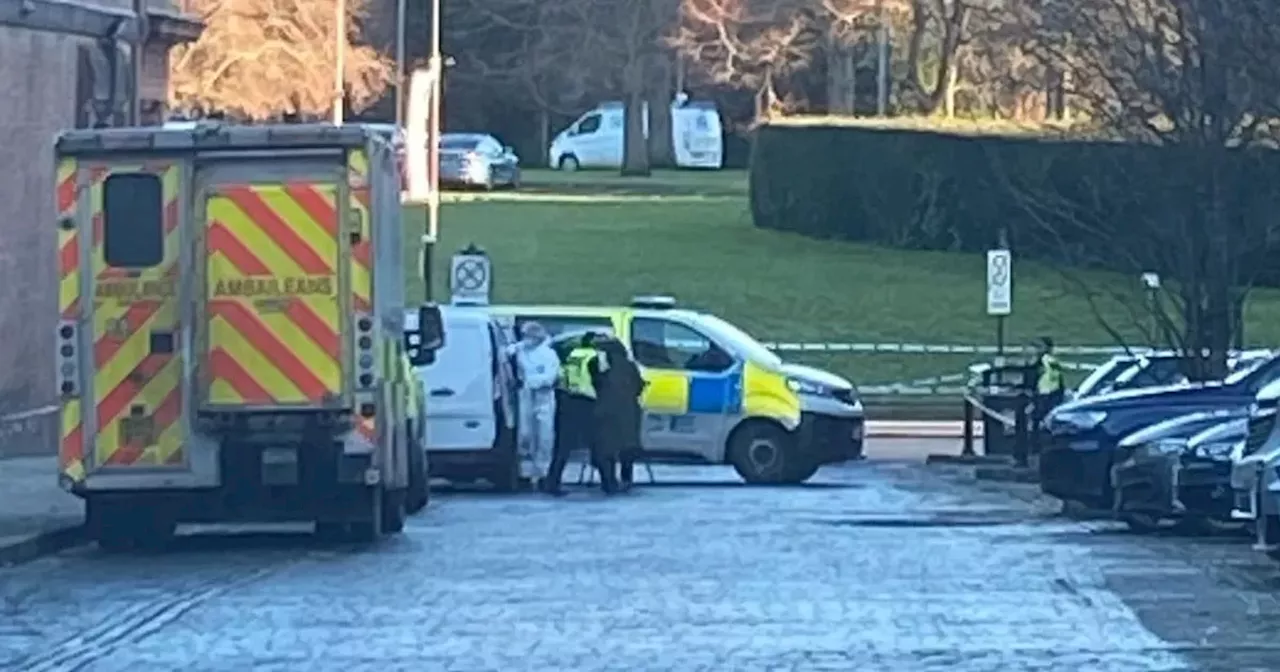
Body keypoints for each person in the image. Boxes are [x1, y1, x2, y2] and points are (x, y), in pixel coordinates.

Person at [544, 332, 617, 495]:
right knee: (599, 445)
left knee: (562, 447)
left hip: (568, 403)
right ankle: (609, 484)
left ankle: (552, 483)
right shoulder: (597, 357)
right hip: (588, 404)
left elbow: (561, 378)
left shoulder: (572, 355)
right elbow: (603, 380)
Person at [506, 322, 560, 489]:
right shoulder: (521, 351)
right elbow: (507, 353)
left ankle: (543, 473)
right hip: (526, 396)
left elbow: (550, 377)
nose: (526, 339)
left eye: (529, 336)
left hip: (543, 397)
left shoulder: (549, 354)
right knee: (525, 436)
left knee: (544, 438)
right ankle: (526, 474)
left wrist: (531, 382)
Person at [592, 337, 646, 491]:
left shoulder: (600, 366)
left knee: (605, 448)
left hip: (605, 412)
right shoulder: (629, 366)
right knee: (627, 447)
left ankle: (609, 481)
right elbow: (639, 386)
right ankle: (626, 478)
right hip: (629, 412)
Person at [1035, 336, 1066, 422]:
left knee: (1044, 416)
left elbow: (1057, 376)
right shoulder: (1044, 360)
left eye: (1040, 347)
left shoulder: (1048, 360)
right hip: (1045, 393)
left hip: (1048, 393)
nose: (1037, 349)